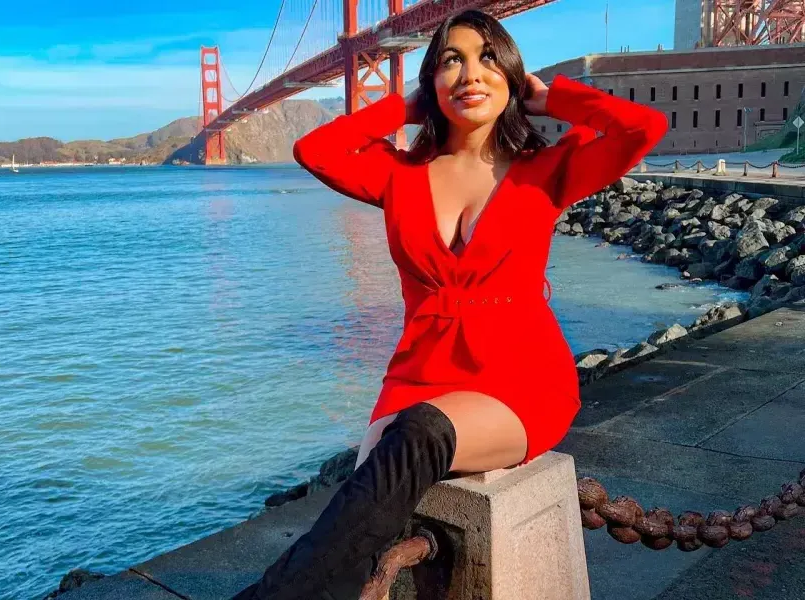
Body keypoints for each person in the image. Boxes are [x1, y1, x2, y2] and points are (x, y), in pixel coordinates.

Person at [231, 8, 667, 600]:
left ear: (512, 76)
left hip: (519, 381)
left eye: (489, 59)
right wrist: (407, 107)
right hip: (418, 375)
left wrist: (553, 98)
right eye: (450, 62)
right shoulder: (398, 176)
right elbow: (315, 149)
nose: (470, 74)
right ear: (430, 80)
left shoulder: (549, 170)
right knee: (363, 525)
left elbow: (643, 128)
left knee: (414, 439)